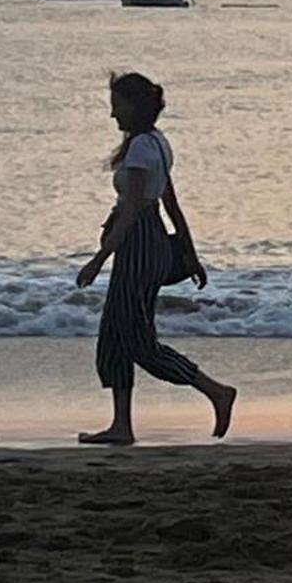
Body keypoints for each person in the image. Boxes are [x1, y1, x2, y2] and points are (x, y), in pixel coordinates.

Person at [75, 72, 237, 445]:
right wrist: (189, 252)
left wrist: (99, 258)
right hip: (150, 244)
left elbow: (133, 209)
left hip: (139, 244)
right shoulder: (156, 144)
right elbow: (172, 204)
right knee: (115, 335)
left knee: (139, 341)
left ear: (134, 107)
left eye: (117, 106)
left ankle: (215, 390)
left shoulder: (142, 149)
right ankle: (121, 426)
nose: (113, 115)